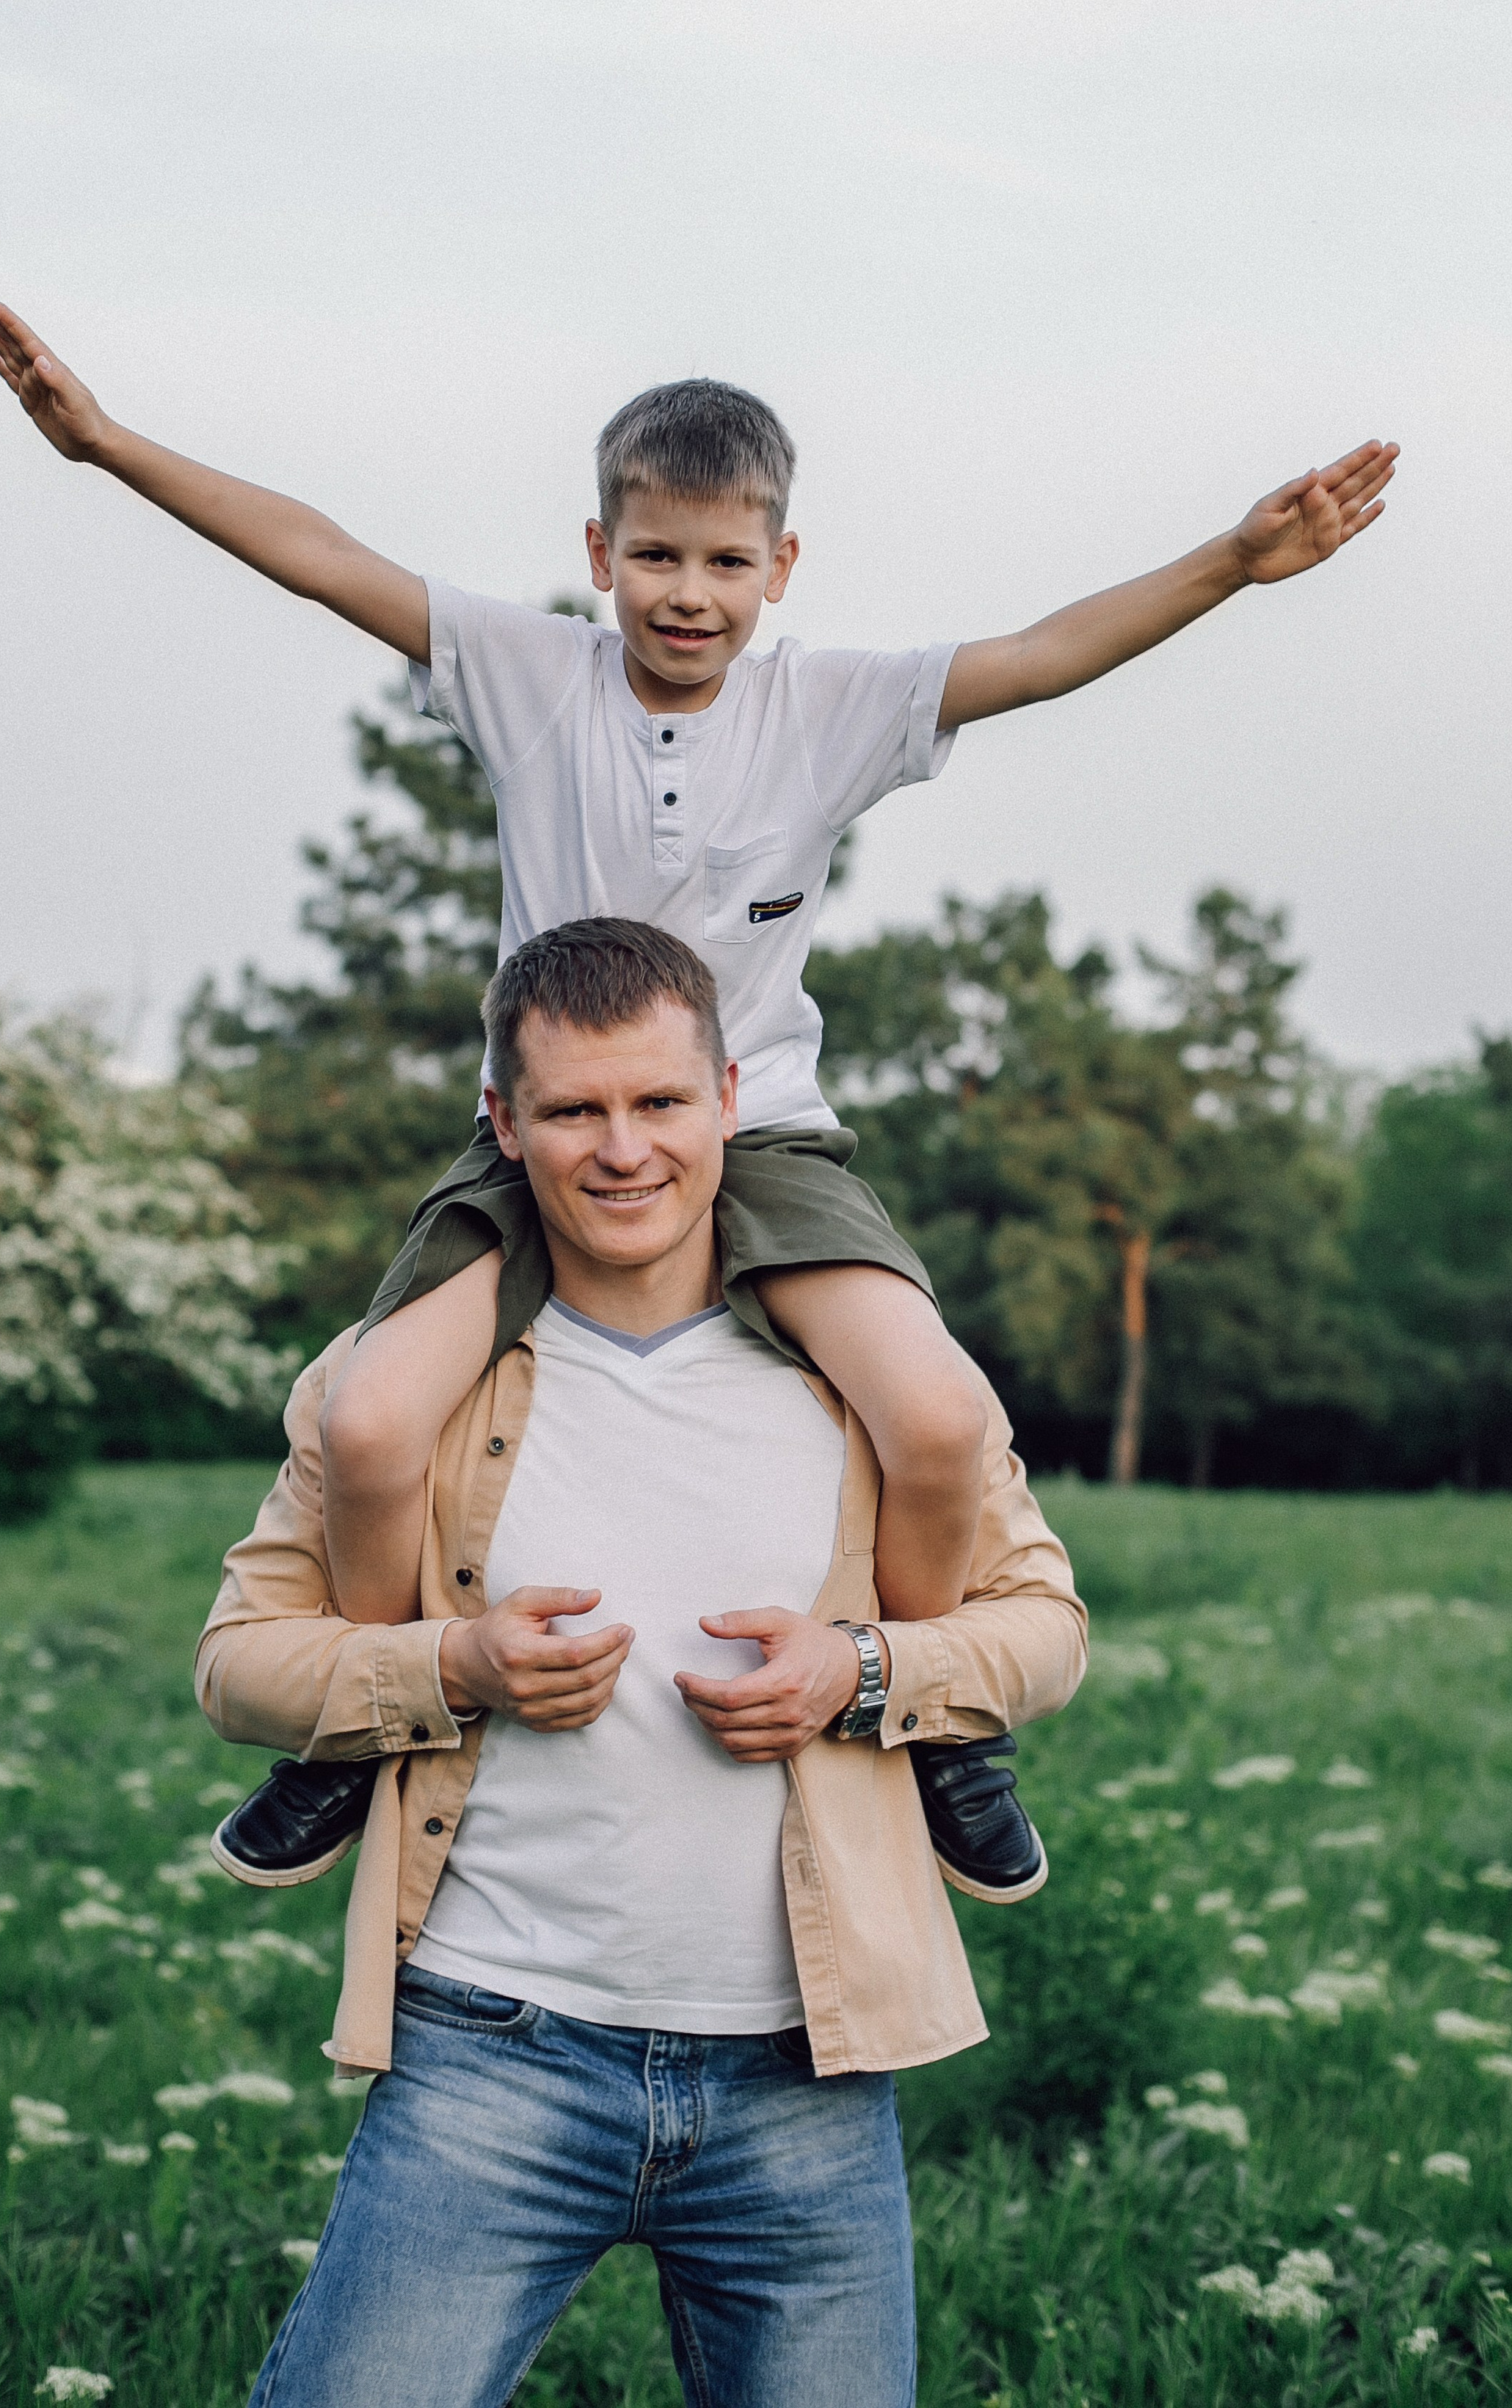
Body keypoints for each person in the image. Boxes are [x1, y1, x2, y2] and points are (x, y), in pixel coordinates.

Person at [0, 297, 1393, 1887]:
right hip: (542, 1134)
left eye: (726, 563)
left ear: (778, 569)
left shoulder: (830, 709)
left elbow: (1040, 658)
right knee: (373, 1423)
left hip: (762, 1126)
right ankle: (362, 1728)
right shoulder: (526, 677)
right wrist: (100, 445)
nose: (688, 594)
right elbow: (315, 552)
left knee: (933, 1415)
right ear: (601, 552)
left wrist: (1228, 561)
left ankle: (937, 1726)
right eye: (656, 557)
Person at [195, 920, 1088, 2408]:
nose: (622, 1151)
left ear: (728, 1098)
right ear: (502, 1123)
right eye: (572, 1111)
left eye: (659, 1104)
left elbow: (1045, 1629)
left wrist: (856, 1672)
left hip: (804, 2072)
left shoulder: (860, 1379)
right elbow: (239, 1665)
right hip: (490, 2054)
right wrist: (455, 1665)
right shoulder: (404, 1384)